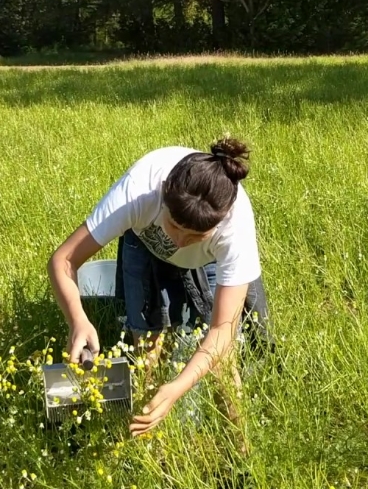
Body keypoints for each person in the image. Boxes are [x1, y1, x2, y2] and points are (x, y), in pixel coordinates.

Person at [46, 136, 271, 439]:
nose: (179, 242)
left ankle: (238, 452)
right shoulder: (139, 192)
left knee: (223, 363)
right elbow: (64, 259)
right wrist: (78, 319)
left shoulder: (235, 227)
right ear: (163, 196)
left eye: (194, 236)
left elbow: (221, 331)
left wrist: (179, 386)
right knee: (148, 355)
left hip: (209, 261)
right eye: (175, 226)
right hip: (145, 243)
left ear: (218, 225)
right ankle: (154, 450)